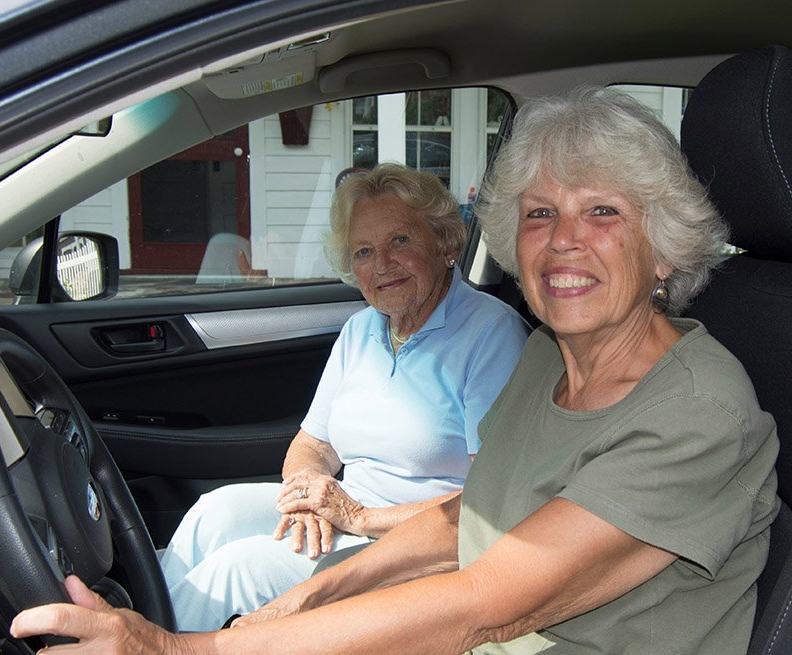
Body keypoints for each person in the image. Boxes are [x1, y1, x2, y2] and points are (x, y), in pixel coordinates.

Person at [12, 88, 779, 654]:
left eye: (603, 212)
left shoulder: (700, 410)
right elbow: (468, 518)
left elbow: (483, 604)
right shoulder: (552, 356)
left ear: (667, 246)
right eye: (541, 214)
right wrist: (308, 593)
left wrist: (182, 649)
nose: (563, 240)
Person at [157, 163, 529, 631]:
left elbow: (489, 500)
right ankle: (145, 631)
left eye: (400, 241)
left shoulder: (490, 334)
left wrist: (358, 516)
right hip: (346, 510)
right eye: (364, 251)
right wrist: (309, 495)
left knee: (238, 569)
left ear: (445, 242)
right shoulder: (360, 330)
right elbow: (314, 444)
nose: (382, 265)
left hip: (415, 547)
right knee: (214, 513)